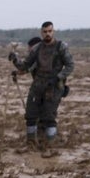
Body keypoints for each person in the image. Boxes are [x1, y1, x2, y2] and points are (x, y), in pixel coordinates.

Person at [11, 21, 74, 154]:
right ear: (41, 33)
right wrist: (15, 60)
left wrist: (58, 77)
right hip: (37, 85)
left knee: (48, 117)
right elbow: (25, 66)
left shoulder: (61, 47)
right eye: (45, 32)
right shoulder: (37, 48)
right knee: (30, 115)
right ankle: (31, 144)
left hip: (53, 87)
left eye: (49, 31)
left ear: (53, 31)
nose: (47, 34)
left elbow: (70, 66)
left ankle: (49, 146)